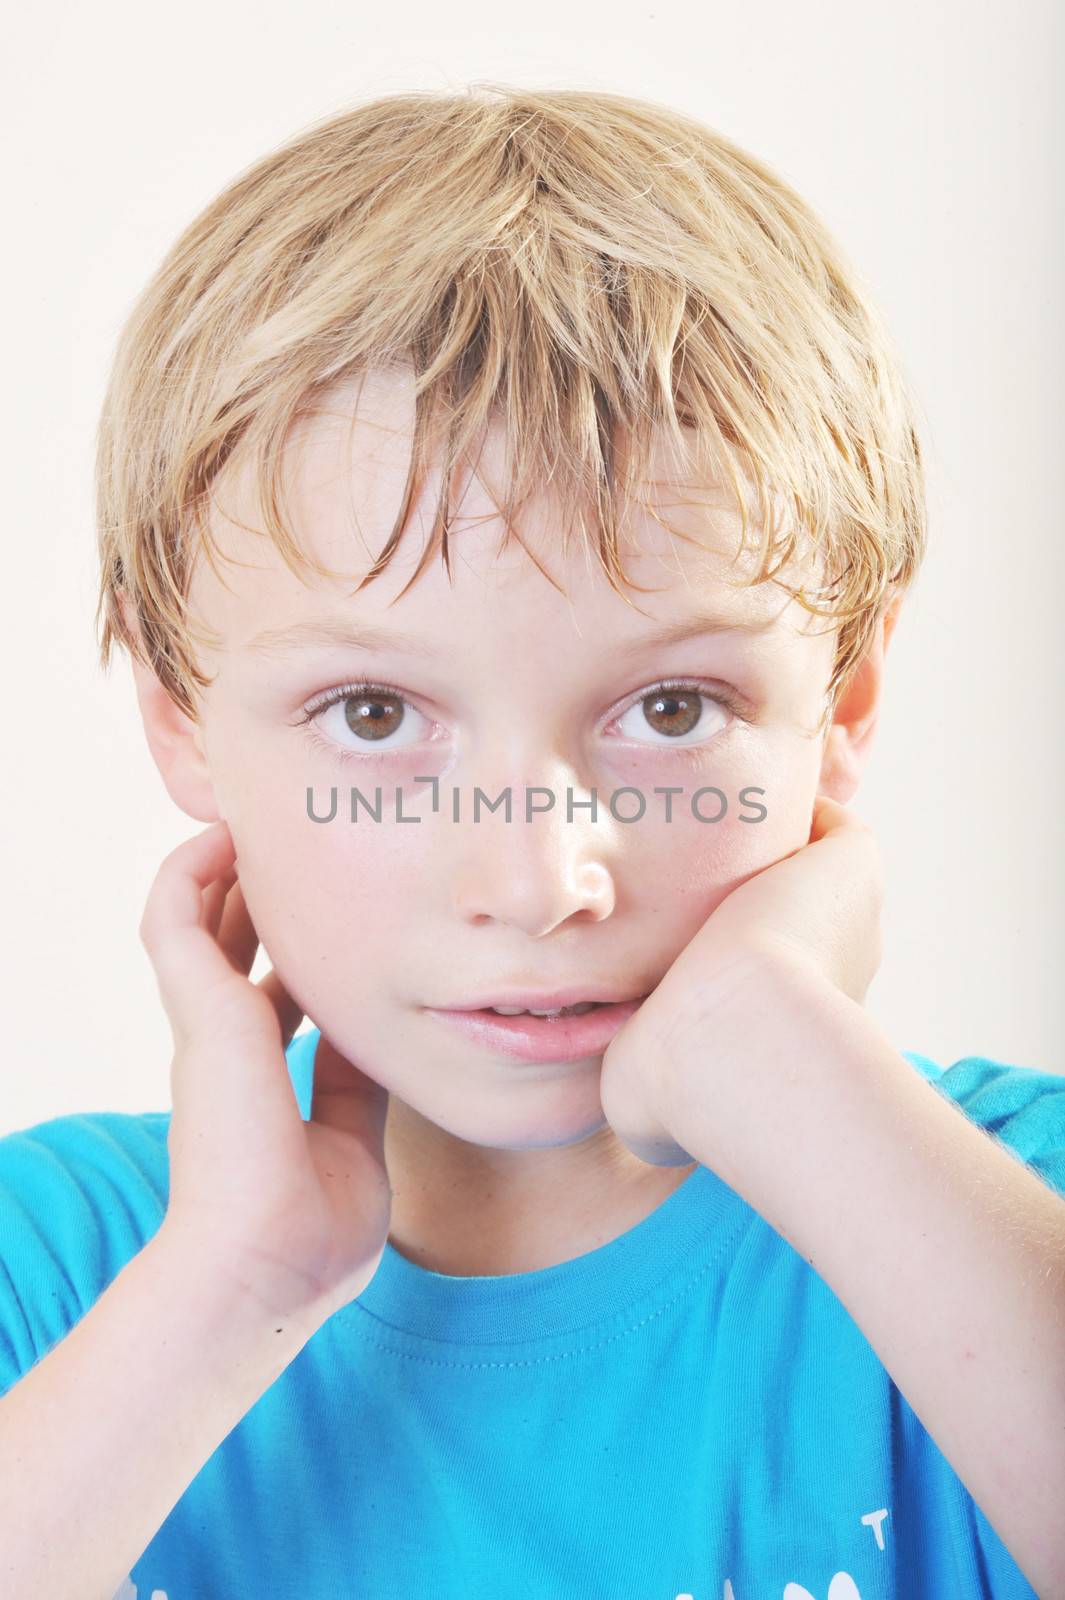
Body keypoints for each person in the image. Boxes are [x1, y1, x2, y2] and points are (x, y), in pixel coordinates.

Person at [1, 84, 1062, 1600]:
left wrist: (788, 1069)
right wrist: (228, 1288)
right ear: (180, 720)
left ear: (843, 701)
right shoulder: (59, 1269)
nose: (536, 878)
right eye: (374, 715)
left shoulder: (1003, 1210)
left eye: (674, 707)